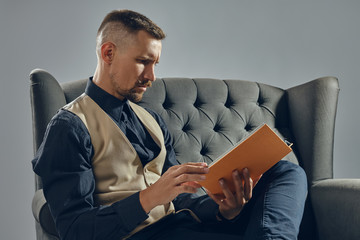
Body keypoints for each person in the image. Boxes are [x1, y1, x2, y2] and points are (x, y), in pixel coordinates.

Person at [32, 9, 307, 240]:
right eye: (143, 62)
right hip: (135, 235)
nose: (152, 76)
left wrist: (224, 209)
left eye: (155, 64)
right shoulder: (69, 126)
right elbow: (75, 230)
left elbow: (180, 201)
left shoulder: (150, 120)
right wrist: (149, 197)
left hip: (180, 227)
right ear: (108, 53)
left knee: (284, 171)